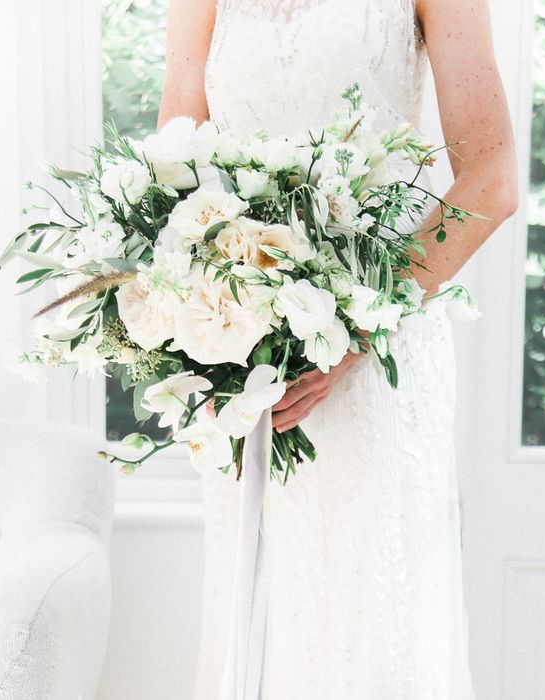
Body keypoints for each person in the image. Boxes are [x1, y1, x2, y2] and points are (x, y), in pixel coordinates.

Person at [158, 1, 518, 697]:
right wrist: (208, 322)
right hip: (246, 350)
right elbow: (177, 164)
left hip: (377, 354)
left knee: (371, 614)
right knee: (259, 611)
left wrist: (351, 333)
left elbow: (491, 183)